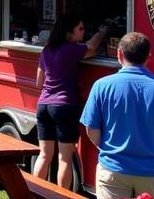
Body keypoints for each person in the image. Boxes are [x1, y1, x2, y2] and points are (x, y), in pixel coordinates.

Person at [80, 32, 154, 199]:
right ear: (149, 56)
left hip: (114, 169)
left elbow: (91, 129)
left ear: (119, 54)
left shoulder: (102, 85)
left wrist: (107, 147)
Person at [33, 13, 106, 188]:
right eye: (80, 29)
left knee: (44, 155)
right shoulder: (72, 49)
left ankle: (35, 193)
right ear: (68, 33)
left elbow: (38, 82)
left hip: (43, 105)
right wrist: (102, 32)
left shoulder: (47, 49)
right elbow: (92, 47)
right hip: (64, 106)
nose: (83, 31)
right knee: (64, 158)